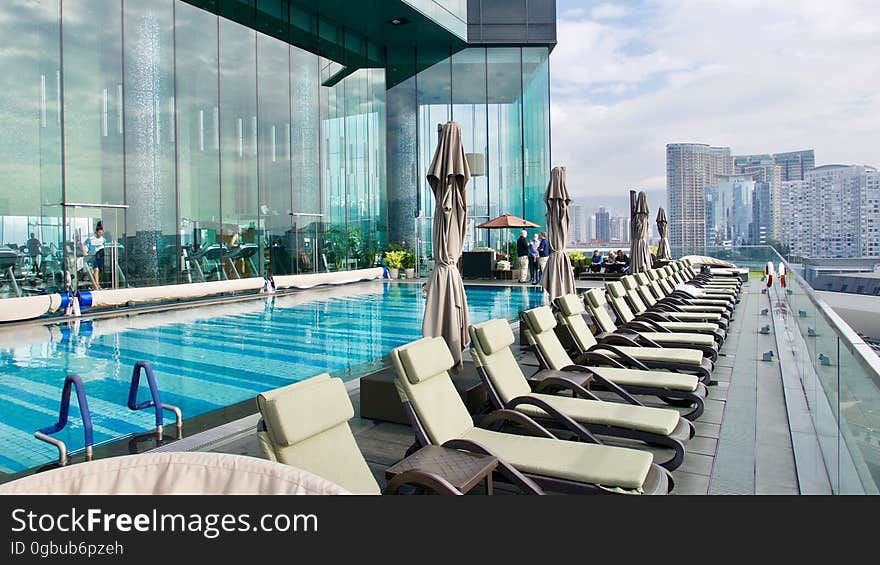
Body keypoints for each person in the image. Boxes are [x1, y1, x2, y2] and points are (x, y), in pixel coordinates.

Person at [82, 222, 106, 289]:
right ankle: (96, 284)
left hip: (100, 255)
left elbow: (104, 246)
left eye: (101, 233)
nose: (100, 234)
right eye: (99, 233)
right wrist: (85, 252)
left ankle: (94, 284)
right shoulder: (91, 239)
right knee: (96, 269)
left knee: (99, 270)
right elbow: (84, 245)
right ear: (96, 232)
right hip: (93, 255)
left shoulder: (103, 239)